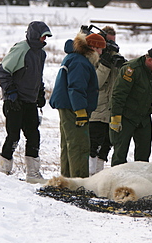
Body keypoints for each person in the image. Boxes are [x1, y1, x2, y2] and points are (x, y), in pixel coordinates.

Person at [0, 21, 52, 183]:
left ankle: (33, 174)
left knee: (33, 135)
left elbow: (37, 76)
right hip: (15, 101)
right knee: (13, 136)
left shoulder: (41, 54)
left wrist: (40, 93)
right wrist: (10, 93)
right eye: (43, 36)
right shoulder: (21, 49)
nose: (44, 40)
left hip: (30, 102)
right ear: (35, 35)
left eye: (46, 37)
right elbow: (3, 71)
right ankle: (4, 170)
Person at [49, 31, 106, 178]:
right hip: (73, 107)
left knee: (69, 144)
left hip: (67, 105)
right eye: (100, 49)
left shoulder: (75, 58)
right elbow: (76, 87)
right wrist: (80, 110)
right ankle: (79, 181)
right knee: (79, 144)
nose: (101, 52)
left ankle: (67, 178)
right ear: (92, 48)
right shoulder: (80, 62)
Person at [109, 47, 152, 166]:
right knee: (120, 153)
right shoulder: (131, 69)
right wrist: (116, 116)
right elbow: (118, 95)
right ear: (150, 60)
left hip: (144, 117)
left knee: (143, 155)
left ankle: (139, 181)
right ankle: (117, 181)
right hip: (126, 116)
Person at [88, 26, 126, 176]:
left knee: (106, 144)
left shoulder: (115, 56)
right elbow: (95, 83)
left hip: (111, 108)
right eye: (108, 42)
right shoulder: (92, 58)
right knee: (93, 143)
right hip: (97, 108)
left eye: (113, 42)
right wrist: (105, 65)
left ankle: (99, 173)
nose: (111, 46)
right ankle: (89, 174)